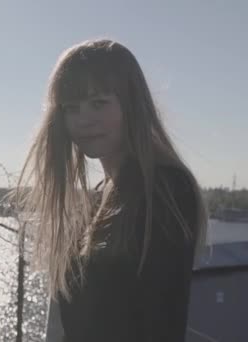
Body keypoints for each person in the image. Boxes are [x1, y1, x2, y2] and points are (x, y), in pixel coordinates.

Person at [17, 39, 208, 342]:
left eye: (99, 102)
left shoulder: (166, 189)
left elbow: (161, 319)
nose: (84, 119)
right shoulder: (99, 195)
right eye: (72, 108)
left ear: (132, 104)